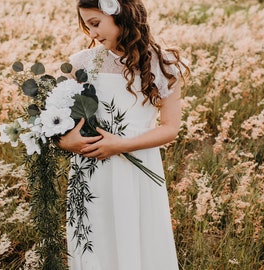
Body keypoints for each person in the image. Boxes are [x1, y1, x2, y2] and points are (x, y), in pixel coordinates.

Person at [58, 0, 189, 269]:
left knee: (136, 233)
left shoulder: (163, 65)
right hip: (91, 169)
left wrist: (121, 145)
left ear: (122, 16)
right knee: (96, 236)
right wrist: (64, 140)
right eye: (87, 26)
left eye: (95, 23)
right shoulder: (82, 63)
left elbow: (170, 128)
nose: (92, 34)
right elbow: (58, 117)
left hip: (136, 166)